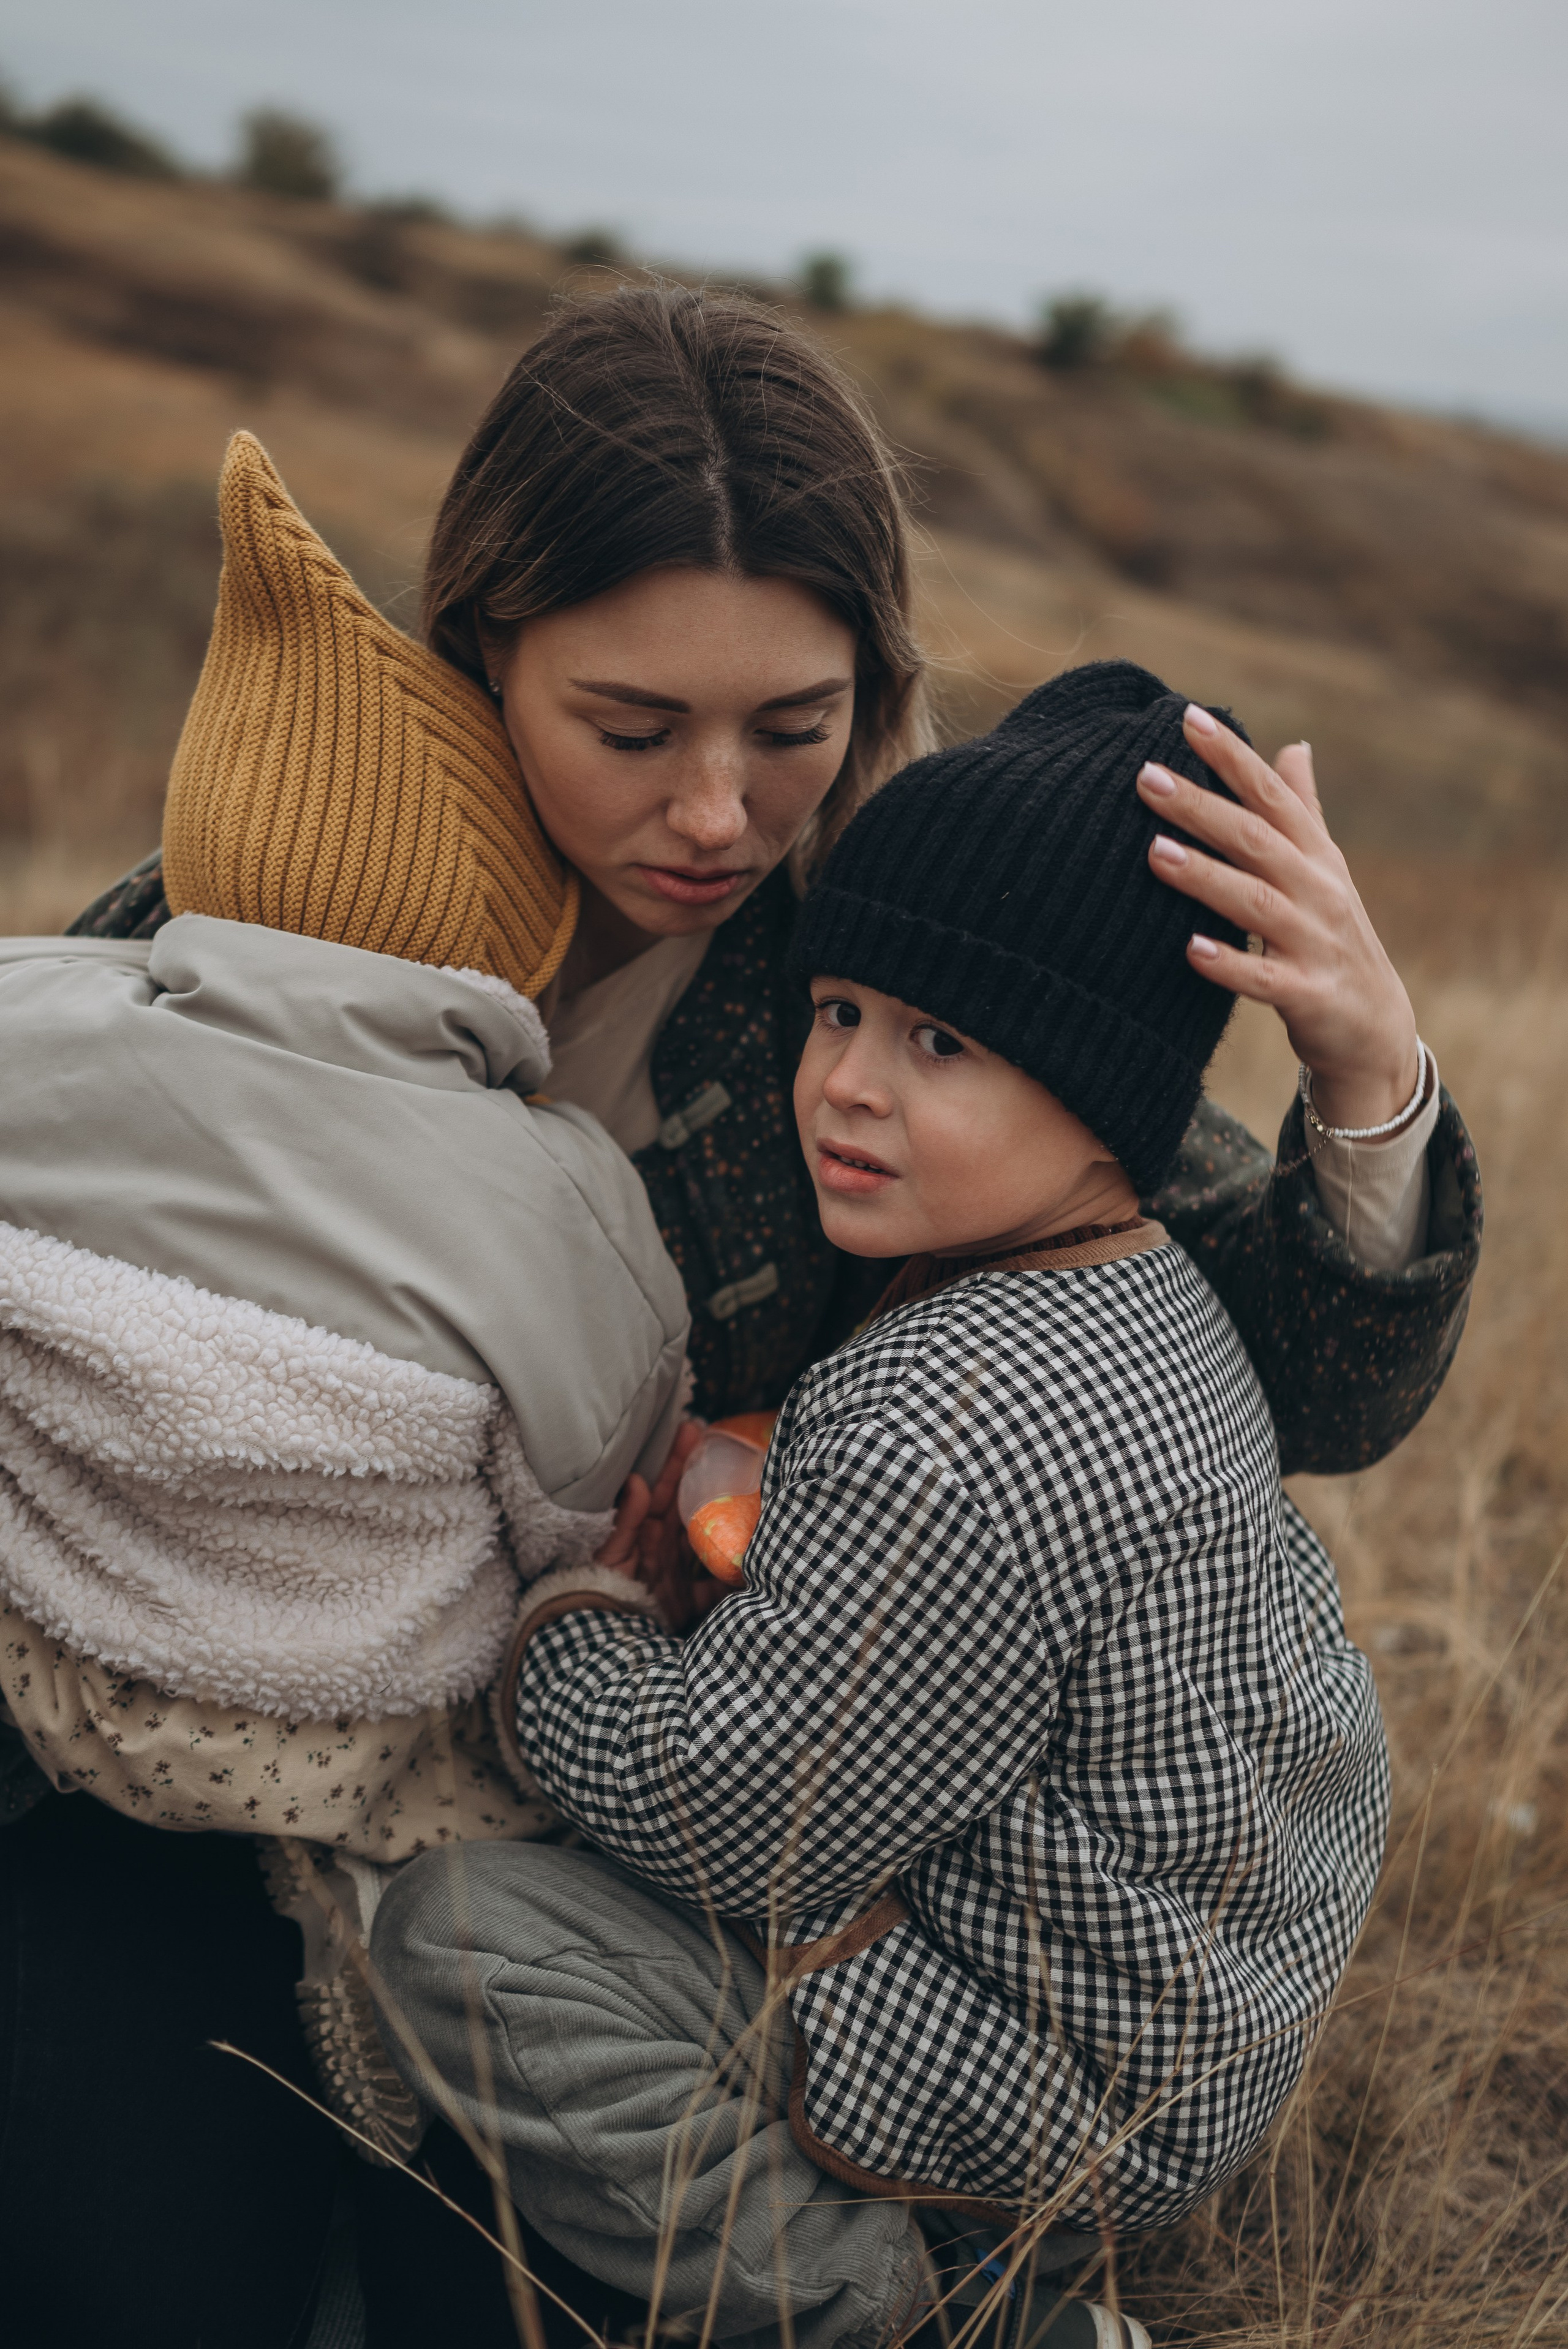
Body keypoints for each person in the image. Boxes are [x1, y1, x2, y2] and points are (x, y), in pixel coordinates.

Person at [3, 289, 1480, 2347]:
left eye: (794, 728)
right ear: (482, 649)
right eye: (634, 730)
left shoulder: (881, 961)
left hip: (649, 1873)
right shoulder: (267, 905)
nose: (719, 810)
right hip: (204, 1789)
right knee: (128, 2269)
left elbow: (1294, 1371)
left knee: (501, 2299)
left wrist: (1368, 1080)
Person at [373, 662, 1392, 2349]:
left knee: (469, 1939)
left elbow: (737, 1818)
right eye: (839, 1009)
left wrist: (576, 1634)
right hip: (1184, 2013)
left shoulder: (946, 1427)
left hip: (1049, 2064)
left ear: (1107, 1091)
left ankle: (925, 2305)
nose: (847, 1078)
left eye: (939, 1042)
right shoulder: (1147, 1298)